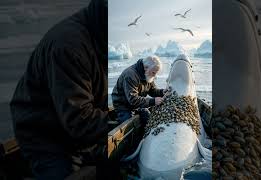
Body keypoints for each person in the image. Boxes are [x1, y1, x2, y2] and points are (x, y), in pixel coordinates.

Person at [9, 0, 108, 179]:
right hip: (43, 132)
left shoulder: (103, 35)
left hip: (72, 124)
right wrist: (122, 122)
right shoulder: (69, 45)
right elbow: (80, 121)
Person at [111, 55, 168, 123]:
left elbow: (152, 91)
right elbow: (133, 99)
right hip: (123, 105)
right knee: (129, 124)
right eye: (153, 73)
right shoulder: (130, 75)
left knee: (147, 116)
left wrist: (162, 92)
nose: (155, 76)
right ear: (146, 68)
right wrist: (153, 101)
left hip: (136, 105)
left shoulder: (147, 74)